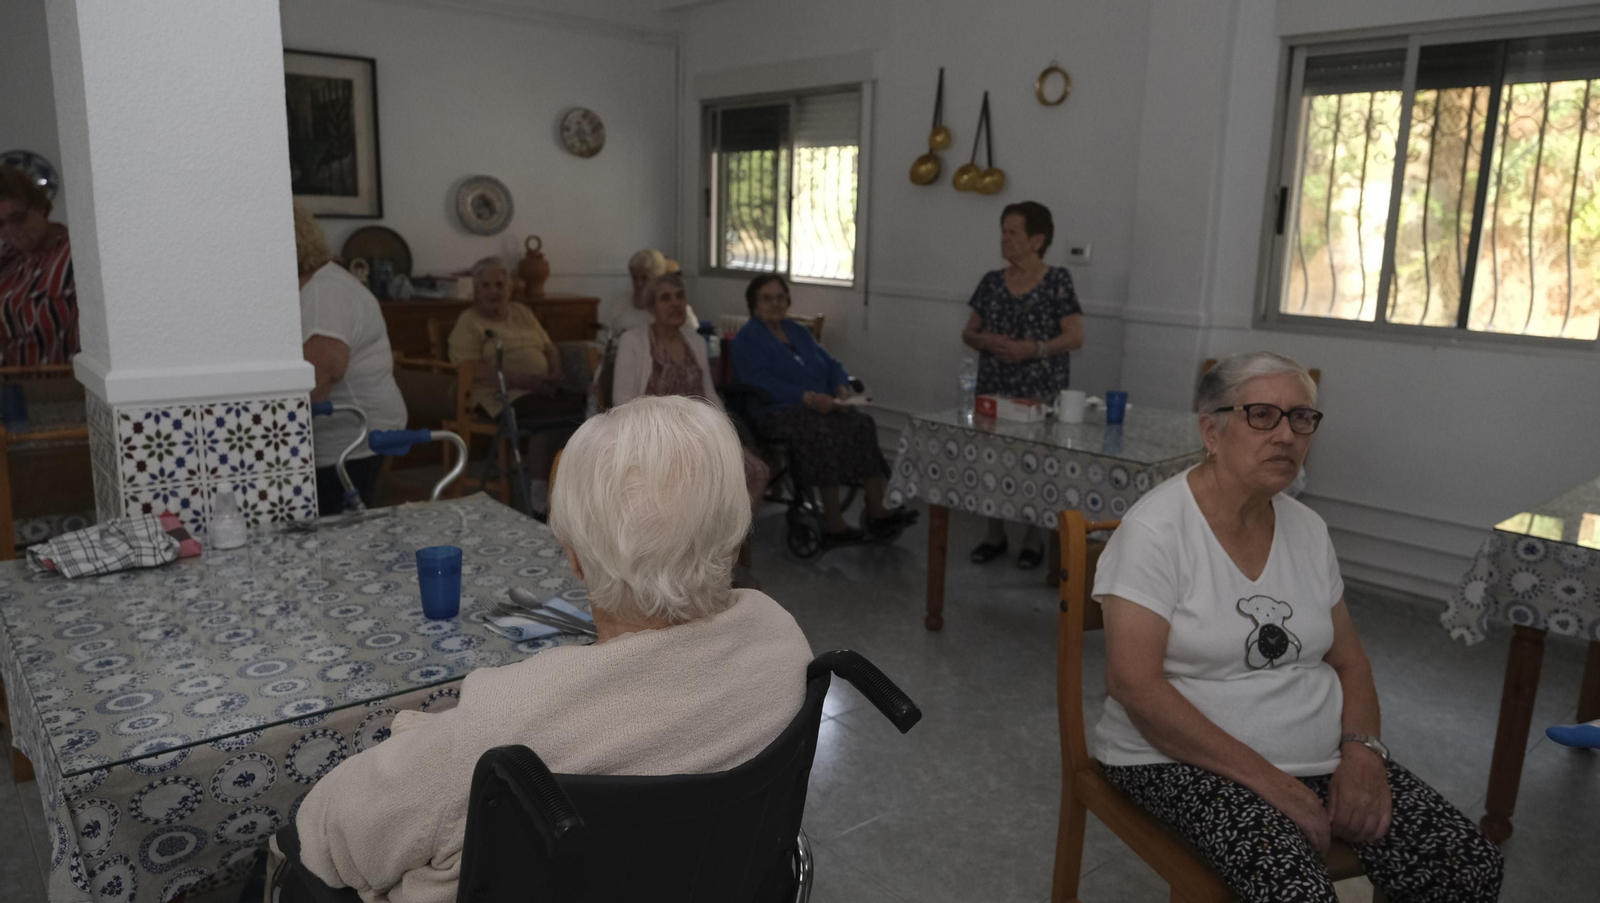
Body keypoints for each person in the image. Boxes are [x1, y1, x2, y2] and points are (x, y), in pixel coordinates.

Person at [292, 395, 814, 903]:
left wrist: (424, 740)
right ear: (732, 530)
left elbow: (330, 838)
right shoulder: (782, 640)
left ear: (576, 560)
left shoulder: (504, 732)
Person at [1093, 352, 1502, 903]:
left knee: (1465, 864)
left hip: (1320, 754)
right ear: (1211, 431)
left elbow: (1350, 660)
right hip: (1176, 759)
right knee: (1295, 891)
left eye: (1301, 418)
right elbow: (1133, 685)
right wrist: (1269, 781)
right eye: (1262, 415)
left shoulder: (1307, 528)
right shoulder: (1156, 531)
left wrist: (1363, 753)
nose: (1286, 434)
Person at [613, 272, 771, 586]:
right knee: (694, 481)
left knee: (753, 471)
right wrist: (657, 440)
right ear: (652, 308)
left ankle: (726, 559)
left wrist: (726, 437)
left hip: (698, 437)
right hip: (653, 440)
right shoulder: (633, 341)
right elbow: (622, 402)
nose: (674, 303)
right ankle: (686, 564)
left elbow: (709, 394)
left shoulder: (696, 341)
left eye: (679, 296)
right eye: (665, 298)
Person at [731, 274, 914, 542]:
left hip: (822, 405)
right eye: (767, 298)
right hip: (775, 411)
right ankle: (833, 521)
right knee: (821, 431)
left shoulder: (797, 331)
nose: (775, 303)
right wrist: (805, 397)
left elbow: (831, 363)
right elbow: (759, 382)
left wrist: (841, 385)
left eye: (781, 297)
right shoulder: (747, 339)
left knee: (862, 423)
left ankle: (877, 507)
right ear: (754, 304)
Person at [961, 201, 1084, 569]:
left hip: (1039, 390)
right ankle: (994, 533)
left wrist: (1034, 349)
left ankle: (1034, 539)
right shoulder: (991, 281)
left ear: (1037, 240)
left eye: (1013, 232)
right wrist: (987, 342)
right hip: (995, 387)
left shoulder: (1058, 280)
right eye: (1003, 231)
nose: (1004, 238)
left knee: (1036, 464)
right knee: (993, 462)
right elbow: (969, 332)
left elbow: (1074, 336)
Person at [294, 203, 407, 514]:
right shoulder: (324, 283)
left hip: (351, 442)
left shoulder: (323, 292)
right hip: (354, 436)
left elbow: (320, 376)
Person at [448, 256, 585, 511]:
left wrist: (554, 370)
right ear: (476, 290)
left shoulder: (522, 312)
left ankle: (569, 487)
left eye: (500, 285)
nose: (494, 291)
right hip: (499, 394)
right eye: (486, 285)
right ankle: (538, 496)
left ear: (509, 288)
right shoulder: (469, 322)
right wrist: (527, 381)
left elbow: (549, 347)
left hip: (541, 388)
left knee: (585, 408)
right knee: (548, 416)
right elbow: (471, 369)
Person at [0, 166, 78, 365]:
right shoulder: (5, 261)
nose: (10, 231)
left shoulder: (77, 254)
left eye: (18, 218)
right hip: (14, 388)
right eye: (0, 224)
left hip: (67, 387)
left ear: (41, 208)